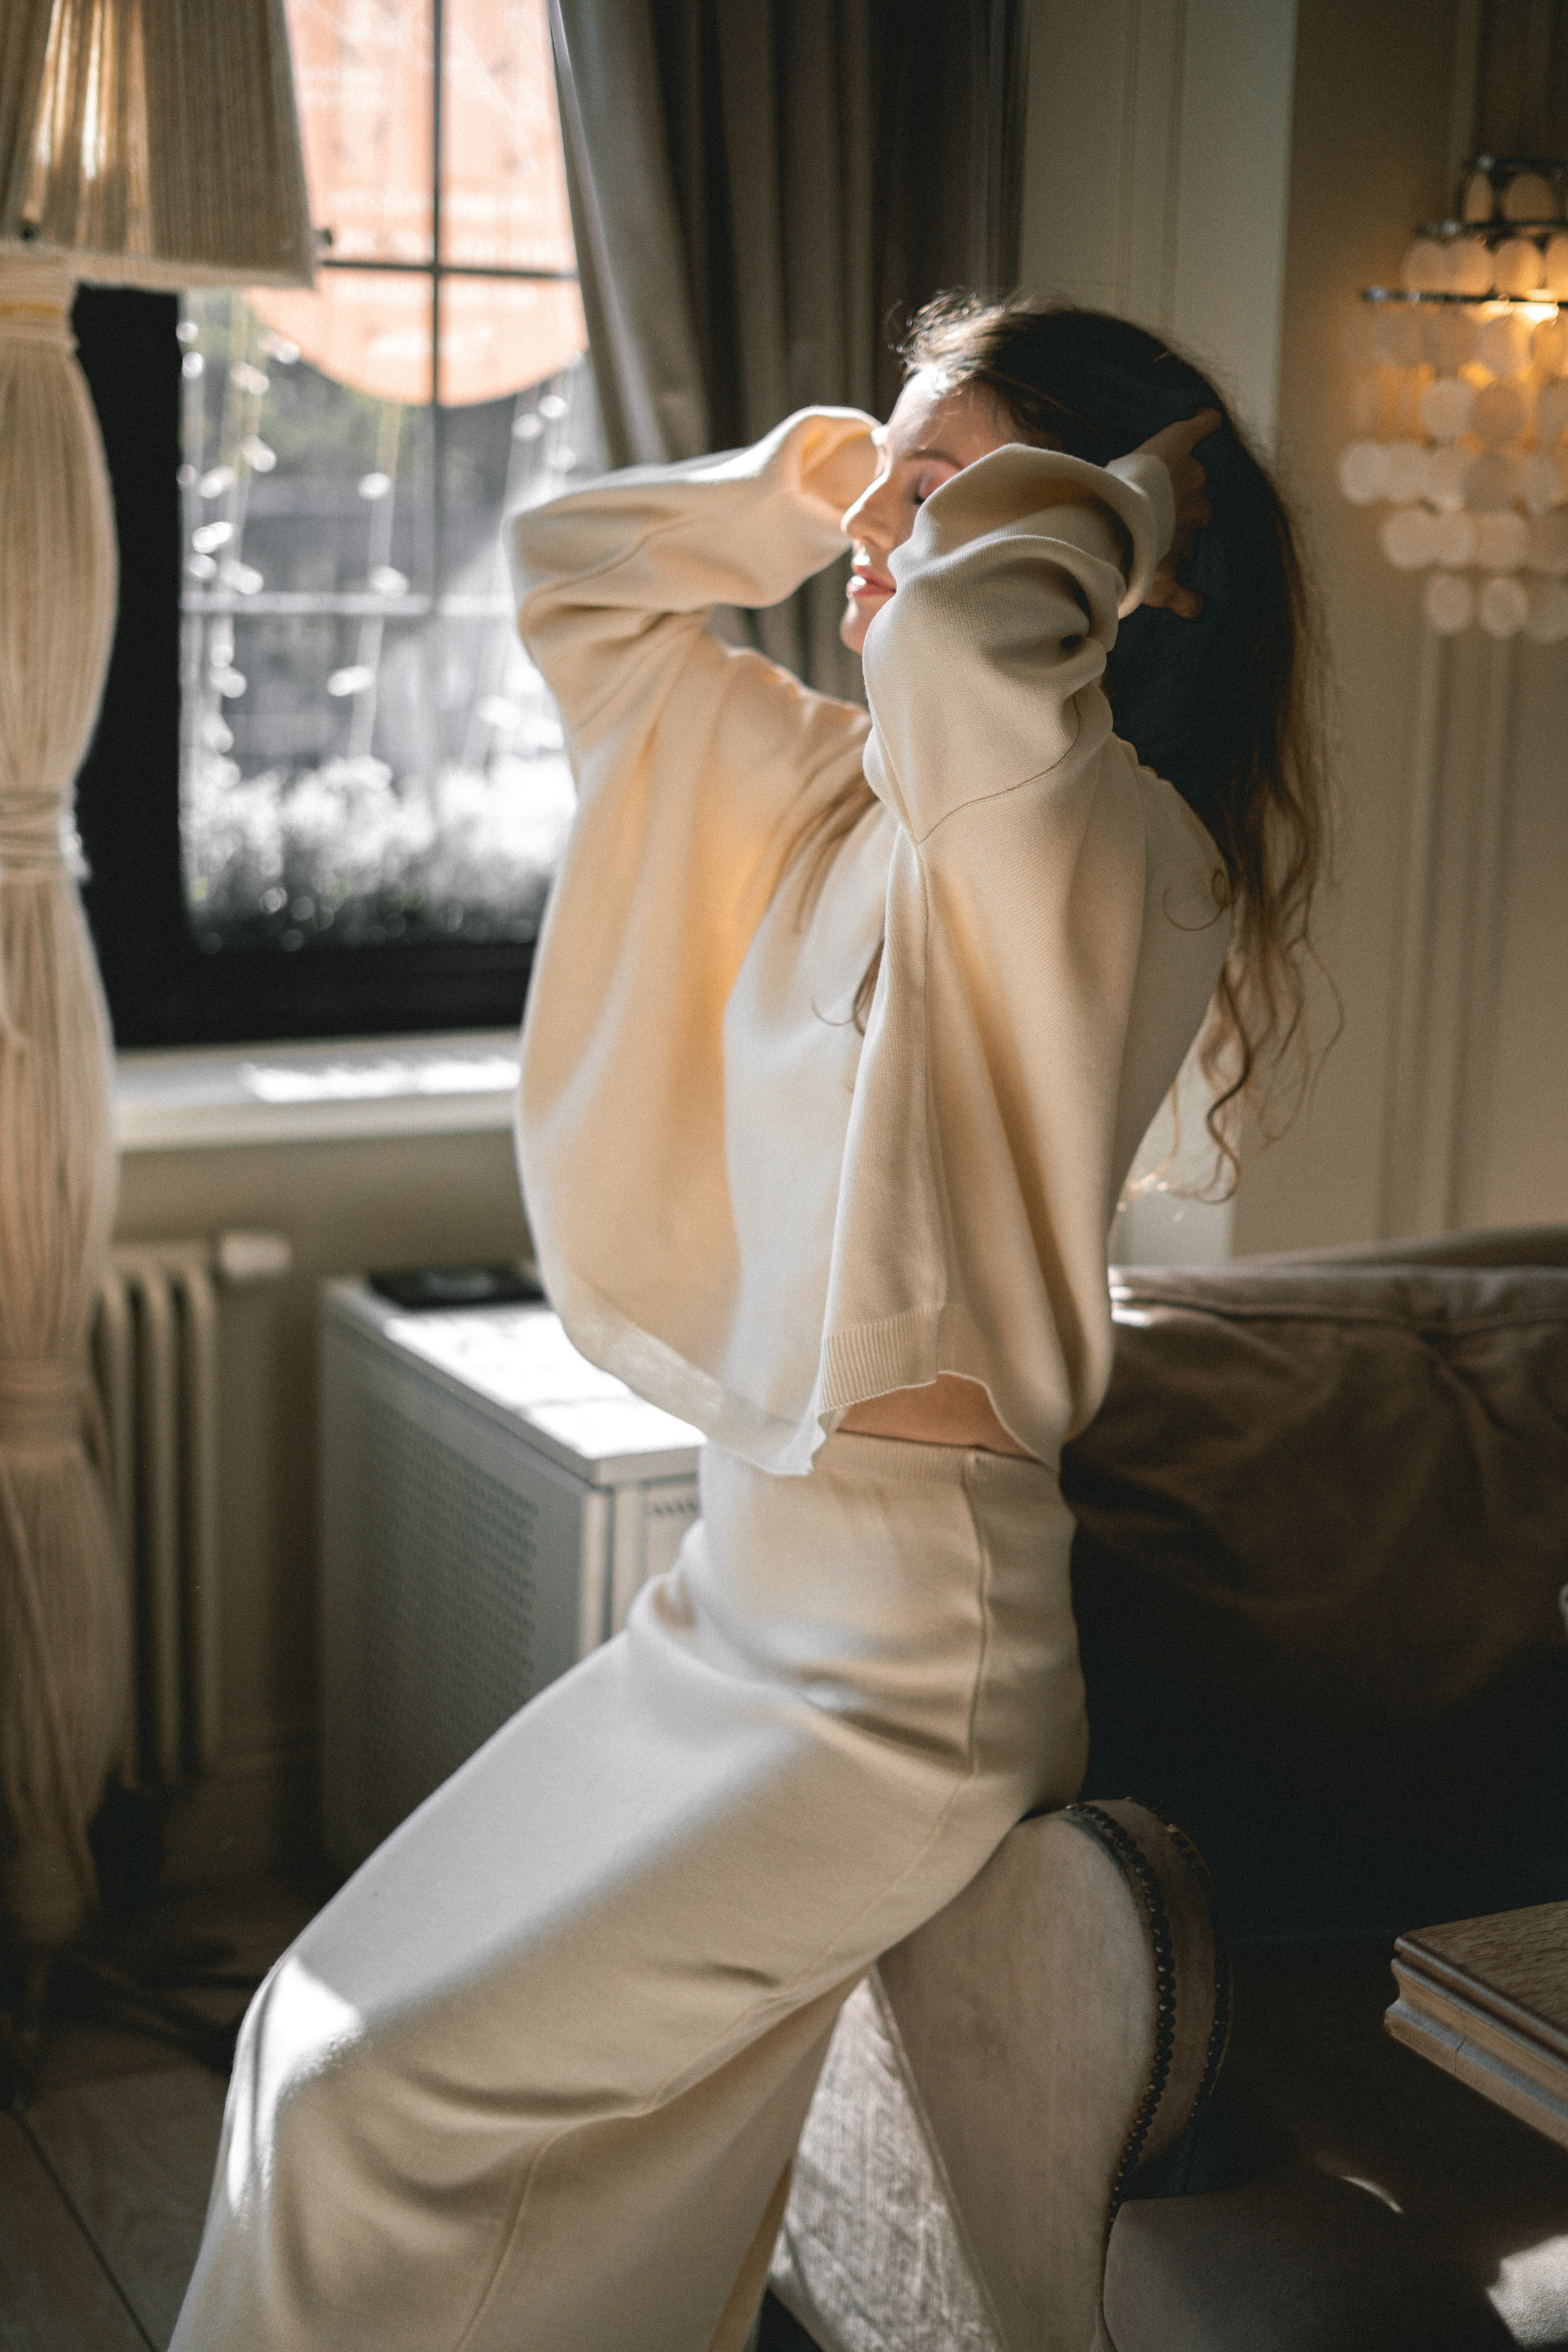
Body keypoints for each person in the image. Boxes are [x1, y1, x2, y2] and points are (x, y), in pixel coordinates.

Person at [170, 296, 1324, 2352]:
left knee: (377, 2106)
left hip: (905, 1671)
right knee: (306, 2040)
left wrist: (1141, 502)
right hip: (730, 1610)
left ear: (1122, 554)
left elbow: (958, 648)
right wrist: (832, 475)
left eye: (953, 489)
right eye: (891, 478)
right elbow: (576, 581)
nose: (891, 532)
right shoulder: (832, 797)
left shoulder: (1092, 835)